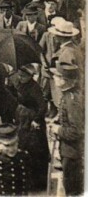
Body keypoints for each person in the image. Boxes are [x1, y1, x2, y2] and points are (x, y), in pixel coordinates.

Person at [51, 63, 84, 196]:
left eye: (57, 76)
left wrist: (58, 130)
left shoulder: (72, 100)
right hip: (68, 150)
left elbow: (77, 131)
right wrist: (57, 121)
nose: (54, 78)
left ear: (64, 80)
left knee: (72, 190)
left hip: (72, 152)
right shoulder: (68, 95)